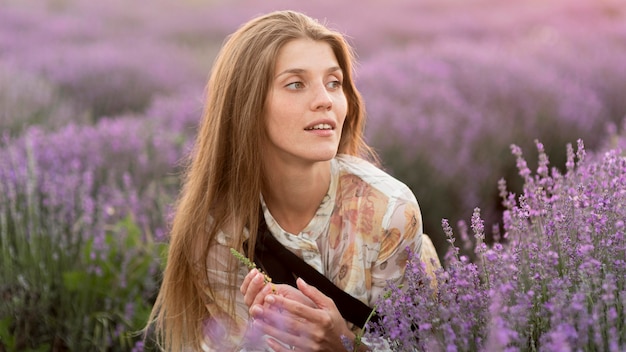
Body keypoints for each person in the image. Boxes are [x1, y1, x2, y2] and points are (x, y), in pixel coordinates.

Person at [148, 9, 441, 352]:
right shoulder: (215, 229)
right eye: (296, 84)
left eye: (334, 83)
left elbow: (419, 344)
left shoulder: (389, 211)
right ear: (247, 104)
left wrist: (343, 345)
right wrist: (257, 337)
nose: (325, 100)